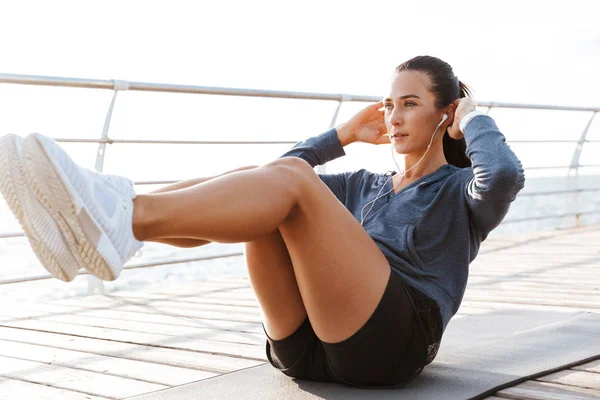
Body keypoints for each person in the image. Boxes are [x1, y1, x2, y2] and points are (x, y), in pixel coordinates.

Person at [0, 55, 525, 388]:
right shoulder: (366, 185)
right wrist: (338, 137)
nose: (392, 118)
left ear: (446, 113)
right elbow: (267, 181)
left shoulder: (462, 192)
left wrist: (474, 117)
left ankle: (121, 218)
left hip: (391, 343)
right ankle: (118, 222)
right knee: (271, 185)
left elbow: (502, 175)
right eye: (389, 105)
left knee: (294, 180)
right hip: (304, 349)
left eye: (409, 104)